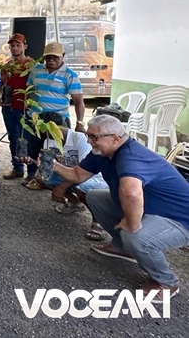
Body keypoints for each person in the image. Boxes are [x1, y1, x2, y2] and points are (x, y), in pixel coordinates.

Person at [52, 115, 189, 304]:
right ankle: (124, 248)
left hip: (179, 220)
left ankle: (166, 281)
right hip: (150, 210)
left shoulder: (131, 156)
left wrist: (132, 225)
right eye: (88, 136)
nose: (89, 140)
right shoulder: (103, 152)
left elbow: (132, 194)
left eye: (94, 137)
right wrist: (53, 165)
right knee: (95, 196)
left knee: (135, 235)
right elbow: (77, 174)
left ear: (115, 138)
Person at [20, 41, 85, 186]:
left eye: (55, 57)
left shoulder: (70, 75)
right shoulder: (36, 70)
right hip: (36, 119)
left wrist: (80, 123)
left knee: (53, 151)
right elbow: (29, 90)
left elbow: (79, 101)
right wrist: (28, 107)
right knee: (34, 147)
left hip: (58, 122)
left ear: (63, 56)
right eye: (48, 57)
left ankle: (50, 179)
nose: (51, 60)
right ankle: (32, 175)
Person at [35, 119, 109, 241]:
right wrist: (38, 164)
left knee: (80, 187)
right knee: (42, 177)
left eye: (51, 130)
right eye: (45, 131)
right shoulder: (49, 141)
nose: (48, 134)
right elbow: (49, 168)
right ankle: (75, 202)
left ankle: (98, 221)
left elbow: (84, 172)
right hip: (71, 174)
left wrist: (62, 187)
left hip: (92, 177)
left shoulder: (79, 139)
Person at [0, 34, 33, 180]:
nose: (14, 48)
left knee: (27, 140)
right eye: (12, 46)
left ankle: (31, 172)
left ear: (25, 46)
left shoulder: (32, 65)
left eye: (18, 45)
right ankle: (17, 168)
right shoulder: (6, 65)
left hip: (24, 108)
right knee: (13, 138)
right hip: (9, 108)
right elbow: (2, 85)